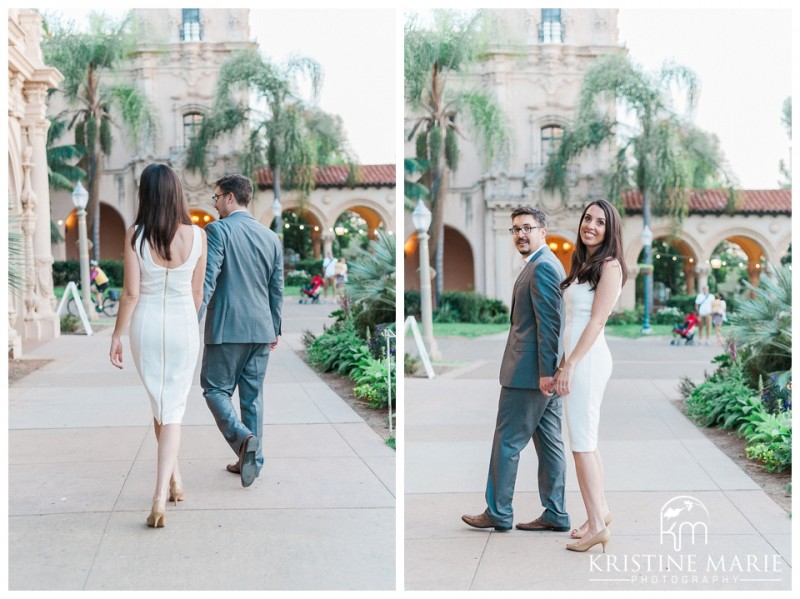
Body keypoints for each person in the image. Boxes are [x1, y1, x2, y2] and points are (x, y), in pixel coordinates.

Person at [109, 163, 207, 528]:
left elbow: (131, 293)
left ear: (146, 194)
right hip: (183, 323)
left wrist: (117, 333)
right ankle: (166, 488)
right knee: (171, 405)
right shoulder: (198, 235)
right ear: (177, 192)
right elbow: (197, 291)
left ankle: (167, 488)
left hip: (146, 325)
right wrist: (187, 325)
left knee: (161, 402)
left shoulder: (136, 234)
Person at [462, 206, 569, 533]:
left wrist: (546, 372)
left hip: (529, 374)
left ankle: (499, 512)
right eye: (515, 229)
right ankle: (556, 513)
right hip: (539, 372)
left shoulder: (543, 267)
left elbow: (550, 324)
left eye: (527, 227)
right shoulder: (542, 264)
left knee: (507, 442)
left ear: (542, 231)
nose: (520, 234)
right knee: (550, 443)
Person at [199, 174, 284, 488]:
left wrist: (191, 318)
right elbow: (277, 288)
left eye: (217, 197)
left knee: (214, 389)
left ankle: (243, 439)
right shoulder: (270, 237)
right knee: (253, 398)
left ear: (230, 198)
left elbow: (209, 279)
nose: (216, 203)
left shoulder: (218, 230)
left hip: (226, 328)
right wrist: (275, 327)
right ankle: (252, 462)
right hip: (262, 328)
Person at [553, 199, 627, 553]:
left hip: (591, 361)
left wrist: (572, 365)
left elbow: (596, 321)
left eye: (600, 222)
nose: (591, 226)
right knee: (587, 441)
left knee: (581, 445)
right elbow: (576, 323)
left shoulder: (610, 266)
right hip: (580, 358)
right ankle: (600, 513)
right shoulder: (584, 263)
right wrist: (564, 362)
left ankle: (597, 525)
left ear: (610, 230)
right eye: (587, 219)